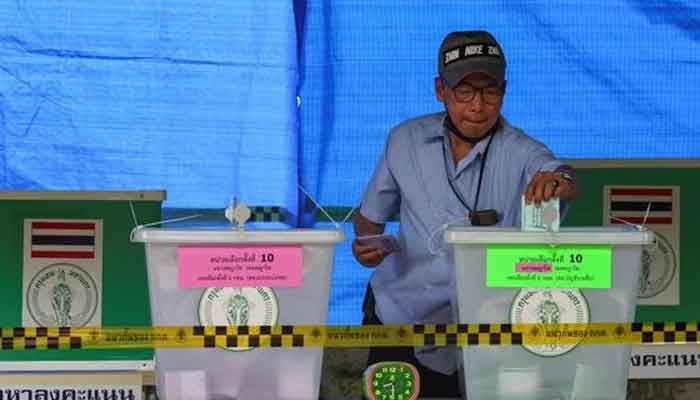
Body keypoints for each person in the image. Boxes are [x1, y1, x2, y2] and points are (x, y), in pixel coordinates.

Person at [352, 30, 578, 398]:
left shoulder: (521, 150)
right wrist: (365, 244)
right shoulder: (403, 140)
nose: (477, 106)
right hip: (402, 314)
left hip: (485, 324)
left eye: (490, 92)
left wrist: (557, 182)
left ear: (504, 90)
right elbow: (369, 219)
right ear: (440, 90)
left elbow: (562, 174)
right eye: (464, 91)